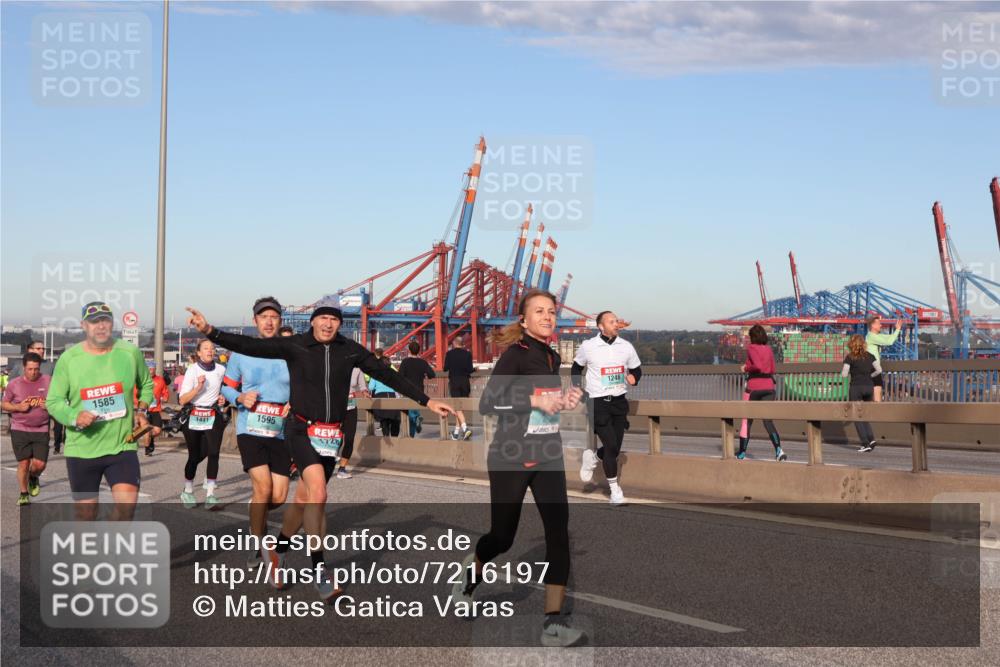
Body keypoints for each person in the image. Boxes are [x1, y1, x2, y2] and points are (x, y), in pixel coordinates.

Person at [186, 304, 455, 602]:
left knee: (302, 500)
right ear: (312, 322)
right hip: (301, 430)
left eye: (334, 320)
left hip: (331, 435)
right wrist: (210, 331)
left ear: (340, 324)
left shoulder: (350, 350)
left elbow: (386, 374)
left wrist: (426, 401)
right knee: (319, 494)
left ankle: (278, 550)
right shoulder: (296, 345)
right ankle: (320, 570)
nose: (328, 324)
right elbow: (248, 345)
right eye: (323, 318)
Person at [450, 289, 585, 647]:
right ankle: (470, 572)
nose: (547, 317)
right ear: (523, 320)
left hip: (547, 454)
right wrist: (535, 399)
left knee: (559, 534)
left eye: (552, 312)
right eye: (539, 312)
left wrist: (565, 399)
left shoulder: (553, 358)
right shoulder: (515, 355)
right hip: (511, 457)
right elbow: (490, 402)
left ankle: (552, 625)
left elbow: (545, 405)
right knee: (502, 538)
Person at [45, 301, 156, 520]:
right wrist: (74, 416)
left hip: (121, 445)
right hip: (82, 448)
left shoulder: (130, 353)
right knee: (87, 515)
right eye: (94, 322)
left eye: (105, 320)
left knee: (126, 510)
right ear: (83, 325)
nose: (101, 326)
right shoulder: (69, 359)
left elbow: (147, 385)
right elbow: (54, 401)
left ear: (112, 323)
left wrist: (141, 410)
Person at [220, 297, 293, 569]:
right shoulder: (242, 353)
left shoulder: (290, 351)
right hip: (250, 427)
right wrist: (240, 397)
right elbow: (226, 387)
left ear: (280, 321)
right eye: (264, 317)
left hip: (281, 431)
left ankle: (256, 511)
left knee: (278, 497)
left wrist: (294, 403)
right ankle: (259, 545)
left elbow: (301, 385)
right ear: (255, 321)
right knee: (262, 487)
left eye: (274, 316)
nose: (269, 321)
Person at [573, 310, 642, 504]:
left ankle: (593, 457)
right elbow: (576, 368)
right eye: (612, 321)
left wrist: (634, 378)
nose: (617, 324)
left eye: (617, 321)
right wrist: (578, 388)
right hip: (598, 402)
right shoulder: (588, 346)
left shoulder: (626, 347)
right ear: (601, 326)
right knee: (611, 446)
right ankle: (615, 491)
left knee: (615, 448)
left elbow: (637, 369)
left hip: (619, 402)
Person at [178, 339, 228, 509]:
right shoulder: (192, 370)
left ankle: (211, 495)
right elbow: (182, 399)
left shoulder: (221, 369)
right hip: (193, 414)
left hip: (213, 414)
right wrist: (198, 388)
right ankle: (188, 490)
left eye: (212, 348)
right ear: (198, 353)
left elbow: (226, 390)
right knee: (194, 456)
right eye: (206, 348)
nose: (210, 351)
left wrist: (223, 398)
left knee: (213, 453)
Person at [2, 353, 51, 506]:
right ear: (24, 368)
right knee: (23, 463)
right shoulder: (14, 384)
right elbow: (4, 404)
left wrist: (50, 405)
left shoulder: (49, 381)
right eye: (29, 369)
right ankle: (24, 493)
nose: (33, 372)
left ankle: (33, 476)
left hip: (41, 428)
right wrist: (17, 407)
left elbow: (60, 400)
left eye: (36, 369)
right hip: (20, 428)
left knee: (39, 465)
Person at [736, 325, 786, 462]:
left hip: (754, 388)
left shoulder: (752, 348)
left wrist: (745, 368)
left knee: (746, 421)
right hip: (769, 387)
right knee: (768, 420)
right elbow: (773, 369)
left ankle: (741, 453)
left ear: (753, 337)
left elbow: (757, 366)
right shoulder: (769, 349)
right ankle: (778, 450)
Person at [842, 334, 882, 453]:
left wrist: (850, 373)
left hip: (856, 387)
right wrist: (870, 375)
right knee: (864, 415)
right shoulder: (870, 356)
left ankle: (865, 443)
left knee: (856, 416)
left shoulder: (850, 357)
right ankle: (871, 439)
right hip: (869, 387)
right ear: (863, 344)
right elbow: (879, 370)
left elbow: (844, 374)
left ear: (851, 345)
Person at [336, 366, 369, 479]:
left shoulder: (357, 369)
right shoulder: (336, 363)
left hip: (351, 406)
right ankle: (328, 462)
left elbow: (362, 385)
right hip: (335, 406)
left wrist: (365, 391)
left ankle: (342, 469)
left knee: (349, 438)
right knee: (336, 438)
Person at [398, 341, 435, 436]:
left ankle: (415, 422)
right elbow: (432, 374)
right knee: (415, 408)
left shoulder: (405, 362)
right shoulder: (423, 362)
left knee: (409, 412)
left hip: (407, 390)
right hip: (419, 390)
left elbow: (400, 376)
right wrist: (425, 376)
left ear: (409, 350)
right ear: (418, 351)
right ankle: (413, 431)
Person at [444, 335, 474, 440]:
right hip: (465, 382)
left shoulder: (449, 354)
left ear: (454, 344)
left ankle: (465, 429)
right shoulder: (468, 354)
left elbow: (445, 368)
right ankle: (456, 433)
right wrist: (475, 369)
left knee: (457, 407)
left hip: (454, 382)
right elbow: (470, 369)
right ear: (462, 344)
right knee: (460, 407)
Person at [865, 315, 900, 402]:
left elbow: (889, 338)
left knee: (876, 390)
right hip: (872, 368)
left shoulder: (874, 336)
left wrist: (896, 331)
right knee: (877, 391)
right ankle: (877, 411)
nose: (881, 325)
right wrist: (898, 329)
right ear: (873, 325)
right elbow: (889, 341)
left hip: (873, 367)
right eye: (879, 324)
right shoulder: (871, 336)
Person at [369, 349, 401, 437]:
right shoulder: (393, 373)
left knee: (384, 420)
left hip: (380, 396)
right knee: (394, 418)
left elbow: (371, 387)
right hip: (392, 396)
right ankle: (395, 438)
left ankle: (386, 437)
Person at [135, 372, 169, 456]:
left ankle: (150, 439)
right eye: (149, 369)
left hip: (155, 410)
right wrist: (139, 403)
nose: (151, 371)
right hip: (143, 410)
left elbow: (165, 391)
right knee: (146, 430)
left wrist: (165, 397)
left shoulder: (160, 380)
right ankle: (147, 449)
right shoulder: (140, 380)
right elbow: (134, 395)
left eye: (153, 369)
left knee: (157, 431)